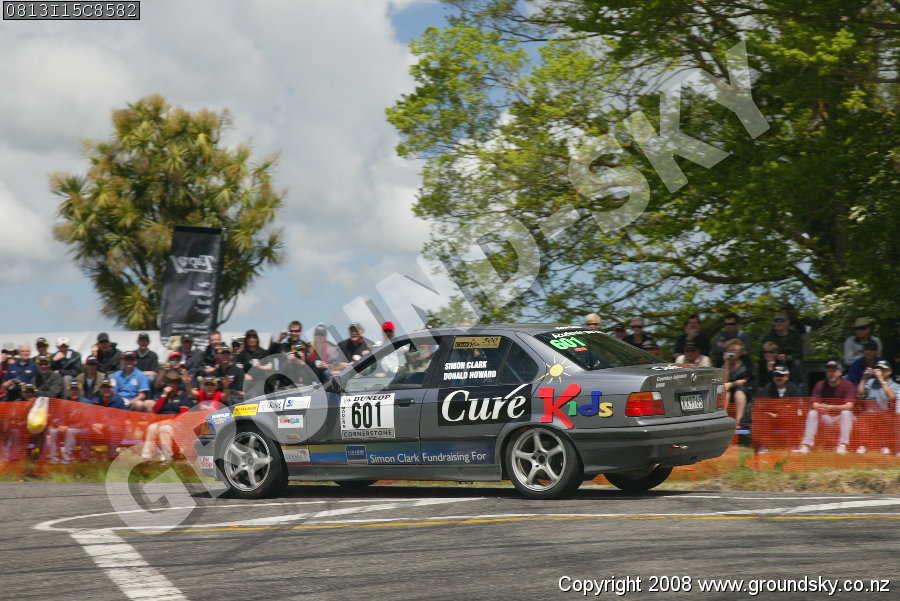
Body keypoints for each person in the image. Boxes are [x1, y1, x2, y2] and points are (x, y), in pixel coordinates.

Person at [792, 360, 856, 454]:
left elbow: (850, 405)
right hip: (826, 416)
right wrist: (821, 407)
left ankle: (842, 445)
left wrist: (833, 407)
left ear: (840, 372)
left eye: (833, 371)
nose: (831, 373)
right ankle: (806, 445)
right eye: (828, 371)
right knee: (812, 413)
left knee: (846, 413)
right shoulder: (820, 385)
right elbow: (814, 404)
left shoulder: (847, 385)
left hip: (841, 417)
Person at [141, 370, 195, 462]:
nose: (171, 384)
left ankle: (166, 458)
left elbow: (183, 415)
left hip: (178, 425)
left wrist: (170, 421)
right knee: (151, 428)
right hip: (162, 422)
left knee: (165, 429)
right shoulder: (162, 395)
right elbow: (155, 410)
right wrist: (164, 395)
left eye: (174, 382)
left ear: (177, 383)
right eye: (169, 382)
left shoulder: (183, 396)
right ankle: (146, 457)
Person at [753, 365, 802, 453]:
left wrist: (779, 414)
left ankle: (794, 445)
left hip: (787, 417)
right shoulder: (767, 387)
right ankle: (764, 445)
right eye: (775, 375)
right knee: (762, 417)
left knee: (796, 415)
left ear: (787, 377)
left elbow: (794, 405)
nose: (778, 378)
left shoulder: (793, 388)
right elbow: (765, 405)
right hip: (771, 416)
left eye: (781, 375)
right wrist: (776, 412)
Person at [853, 360, 899, 455]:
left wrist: (881, 380)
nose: (879, 371)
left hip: (886, 414)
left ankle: (885, 446)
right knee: (862, 418)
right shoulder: (870, 382)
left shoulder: (895, 385)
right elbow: (860, 394)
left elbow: (892, 397)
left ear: (889, 371)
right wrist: (864, 378)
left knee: (887, 419)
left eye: (882, 369)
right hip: (869, 414)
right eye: (878, 369)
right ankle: (863, 445)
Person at [81, 378, 127, 460]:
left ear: (112, 389)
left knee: (113, 429)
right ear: (100, 389)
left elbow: (121, 419)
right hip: (98, 431)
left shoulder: (119, 401)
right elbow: (89, 417)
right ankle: (85, 457)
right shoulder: (95, 401)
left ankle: (112, 456)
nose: (106, 390)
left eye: (108, 387)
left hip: (116, 432)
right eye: (103, 387)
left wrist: (104, 425)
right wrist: (93, 426)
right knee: (85, 431)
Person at [46, 382, 92, 464]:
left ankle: (67, 458)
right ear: (68, 391)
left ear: (80, 391)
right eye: (72, 389)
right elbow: (60, 417)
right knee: (53, 431)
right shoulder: (64, 402)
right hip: (66, 427)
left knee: (70, 431)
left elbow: (86, 422)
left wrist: (68, 427)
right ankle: (54, 458)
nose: (74, 392)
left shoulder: (86, 403)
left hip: (81, 429)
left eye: (76, 389)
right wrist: (60, 425)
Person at [761, 313, 804, 383]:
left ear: (788, 323)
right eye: (776, 321)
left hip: (790, 364)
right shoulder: (768, 337)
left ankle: (795, 387)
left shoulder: (795, 337)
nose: (779, 323)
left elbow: (799, 354)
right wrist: (771, 358)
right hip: (773, 363)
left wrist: (787, 357)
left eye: (782, 321)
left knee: (797, 363)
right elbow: (762, 353)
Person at [722, 339, 754, 430]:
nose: (732, 353)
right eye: (730, 350)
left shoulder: (745, 365)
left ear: (740, 353)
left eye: (734, 351)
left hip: (743, 391)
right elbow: (725, 381)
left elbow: (744, 381)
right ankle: (723, 420)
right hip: (729, 391)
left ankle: (739, 422)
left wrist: (732, 384)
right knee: (725, 393)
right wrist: (727, 363)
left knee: (738, 392)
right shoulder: (724, 365)